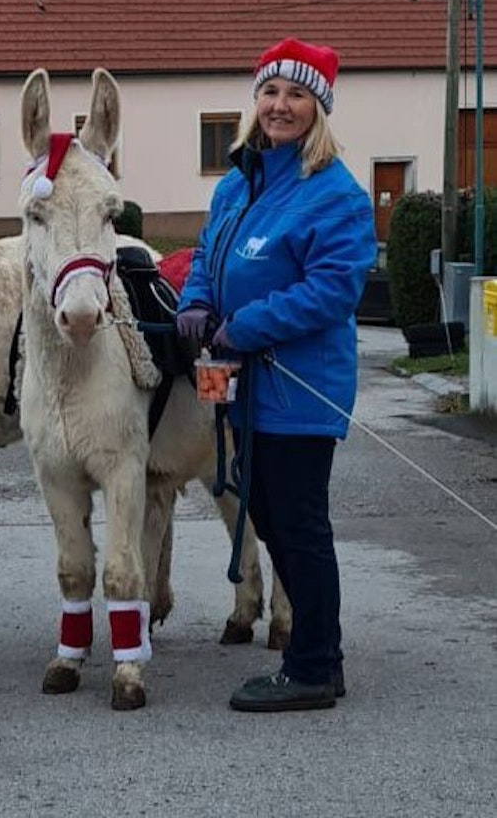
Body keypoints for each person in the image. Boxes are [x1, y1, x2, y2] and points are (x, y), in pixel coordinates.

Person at [176, 37, 377, 713]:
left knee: (298, 523)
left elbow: (332, 291)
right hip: (242, 387)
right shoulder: (238, 181)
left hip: (299, 392)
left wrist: (246, 325)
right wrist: (197, 304)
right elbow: (209, 252)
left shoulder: (335, 195)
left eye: (296, 95)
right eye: (270, 92)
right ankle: (312, 654)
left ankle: (316, 663)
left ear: (317, 109)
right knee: (265, 514)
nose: (279, 106)